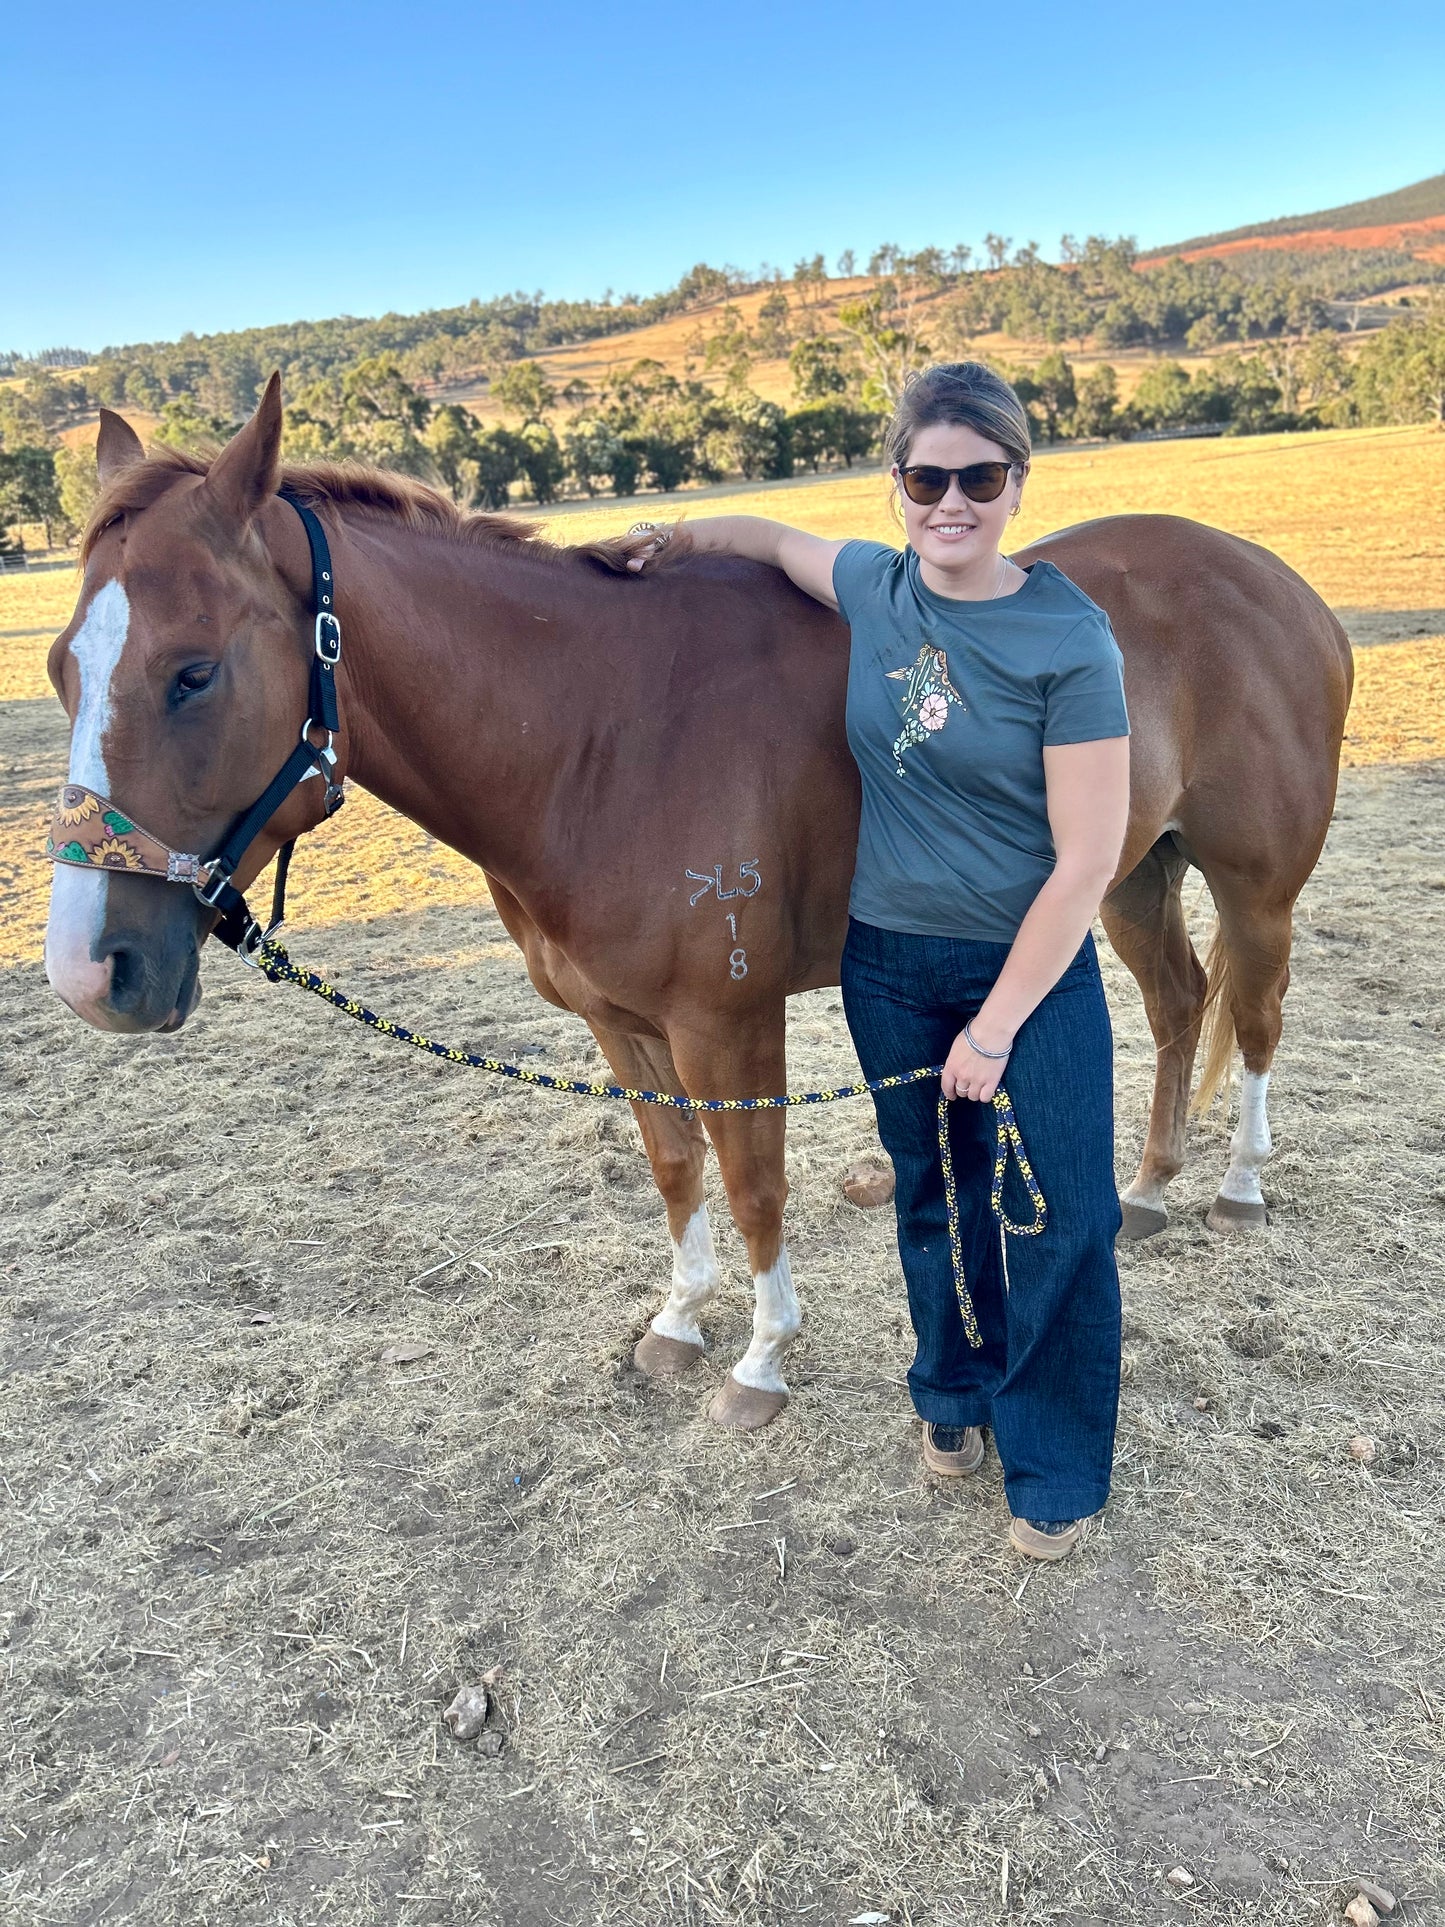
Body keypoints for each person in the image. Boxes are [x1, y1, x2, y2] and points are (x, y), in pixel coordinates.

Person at [622, 362, 1130, 1562]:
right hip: (888, 964)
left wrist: (997, 1023)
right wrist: (669, 537)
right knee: (933, 1198)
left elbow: (1088, 856)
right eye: (923, 477)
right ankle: (949, 1399)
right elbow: (765, 534)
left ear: (1016, 483)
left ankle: (1052, 1456)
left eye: (978, 477)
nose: (949, 502)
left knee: (1058, 1214)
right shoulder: (874, 584)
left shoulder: (1067, 635)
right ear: (894, 485)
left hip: (1029, 969)